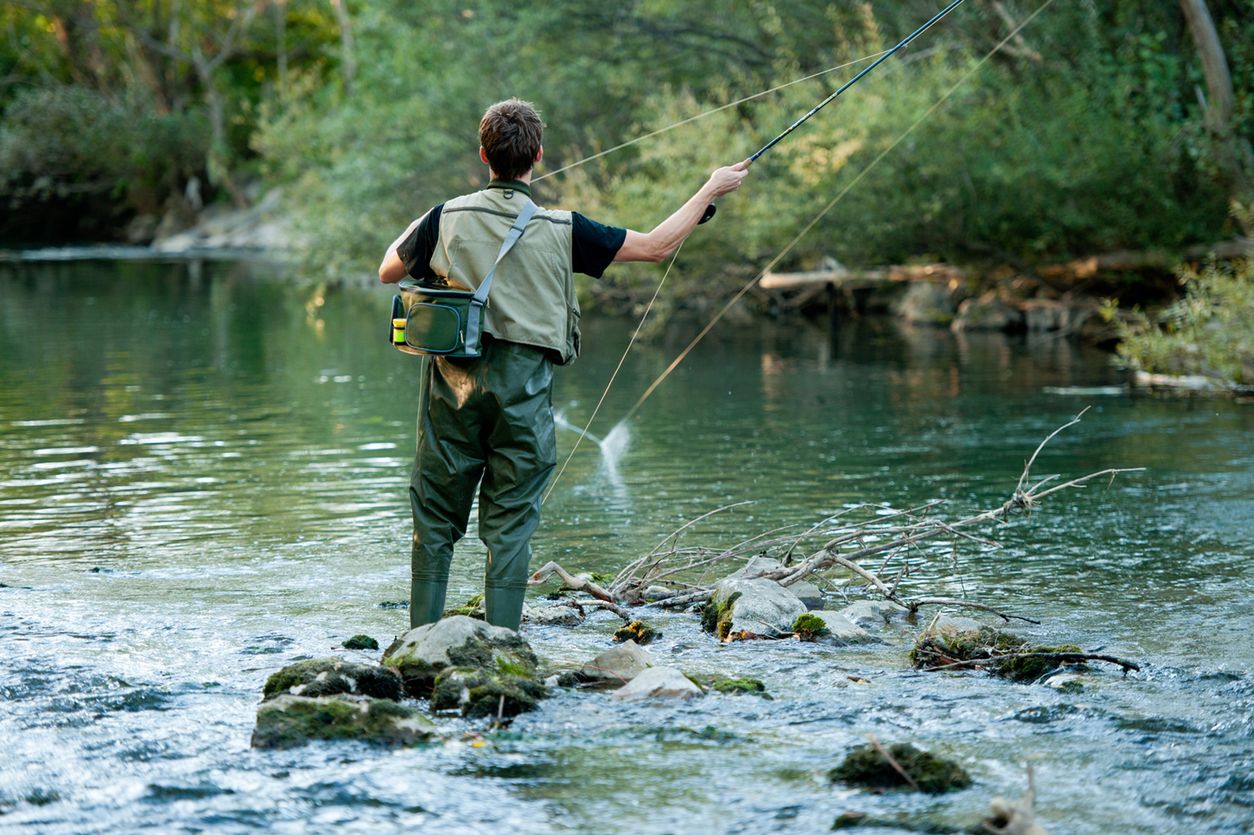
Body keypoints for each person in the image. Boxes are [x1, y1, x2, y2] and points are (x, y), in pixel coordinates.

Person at [378, 98, 749, 631]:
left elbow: (389, 268)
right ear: (540, 156)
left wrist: (428, 218)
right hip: (523, 397)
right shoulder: (562, 227)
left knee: (435, 517)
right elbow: (655, 247)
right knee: (509, 524)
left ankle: (420, 644)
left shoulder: (444, 217)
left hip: (450, 392)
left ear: (484, 154)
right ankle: (502, 644)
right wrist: (710, 188)